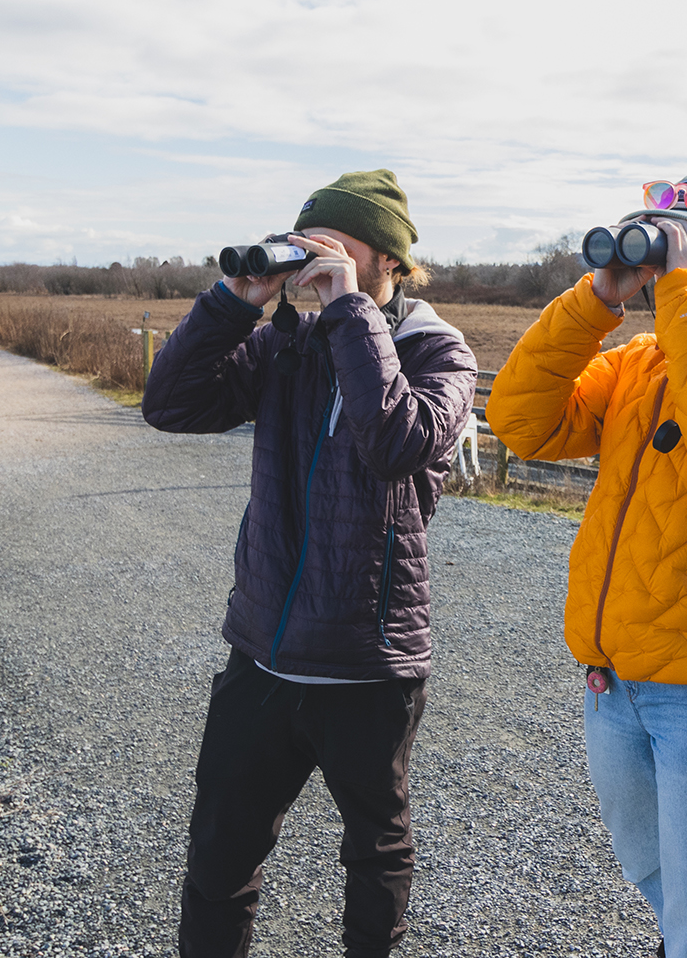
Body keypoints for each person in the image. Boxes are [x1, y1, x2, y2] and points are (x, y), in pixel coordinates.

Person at [143, 169, 477, 958]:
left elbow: (396, 441)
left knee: (374, 849)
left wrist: (349, 311)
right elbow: (171, 406)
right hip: (261, 652)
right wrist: (235, 301)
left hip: (367, 661)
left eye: (339, 240)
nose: (316, 251)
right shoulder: (283, 345)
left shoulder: (438, 350)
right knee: (220, 850)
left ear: (390, 261)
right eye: (306, 236)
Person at [486, 171, 687, 958]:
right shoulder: (638, 362)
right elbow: (520, 421)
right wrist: (596, 297)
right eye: (664, 254)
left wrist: (684, 294)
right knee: (668, 895)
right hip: (613, 681)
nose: (674, 271)